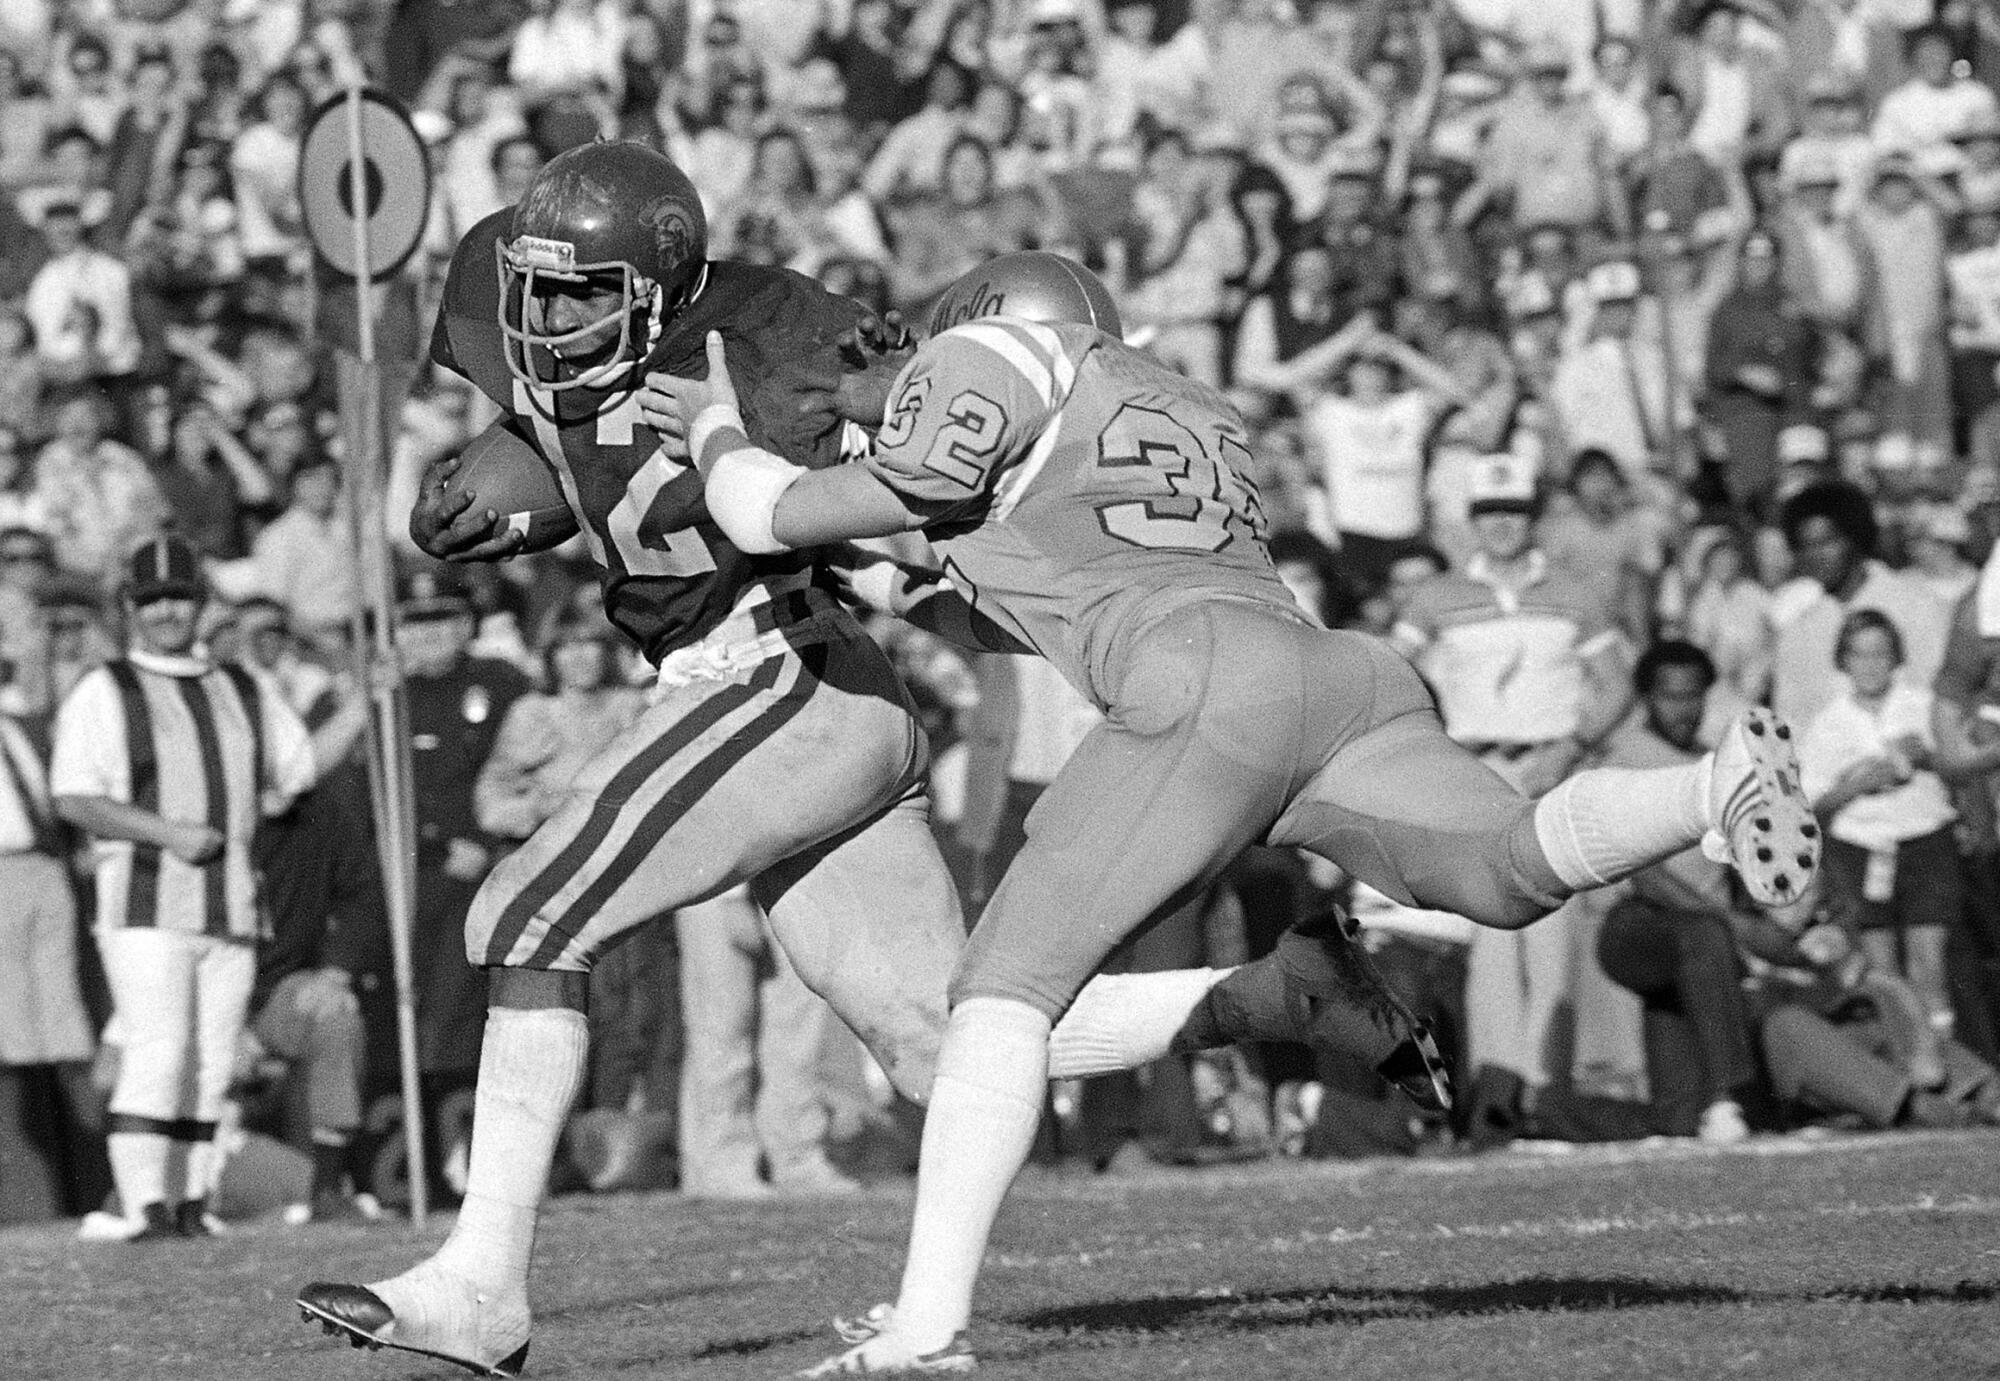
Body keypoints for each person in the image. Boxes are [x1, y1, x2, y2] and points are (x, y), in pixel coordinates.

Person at [298, 145, 1433, 1377]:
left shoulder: (790, 338)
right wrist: (519, 474)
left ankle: (479, 1288)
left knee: (525, 912)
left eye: (588, 294)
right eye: (541, 290)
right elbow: (560, 428)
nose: (552, 316)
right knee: (941, 1046)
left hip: (779, 668)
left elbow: (930, 493)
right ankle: (1283, 996)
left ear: (665, 287)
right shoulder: (496, 288)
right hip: (800, 697)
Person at [646, 250, 1822, 1374]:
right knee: (1504, 871)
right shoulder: (1174, 397)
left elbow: (775, 512)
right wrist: (903, 587)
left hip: (1200, 677)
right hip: (1331, 675)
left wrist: (712, 426)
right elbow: (1042, 590)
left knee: (994, 994)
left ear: (990, 315)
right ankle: (1709, 786)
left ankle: (924, 1323)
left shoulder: (998, 356)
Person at [52, 535, 315, 1240]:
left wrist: (372, 698)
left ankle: (192, 1200)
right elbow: (75, 796)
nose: (167, 611)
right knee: (160, 1046)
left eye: (179, 597)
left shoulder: (240, 686)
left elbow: (298, 769)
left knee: (212, 1055)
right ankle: (144, 1205)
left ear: (200, 604)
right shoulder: (106, 687)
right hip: (143, 902)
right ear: (133, 608)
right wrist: (167, 832)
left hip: (230, 902)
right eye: (152, 599)